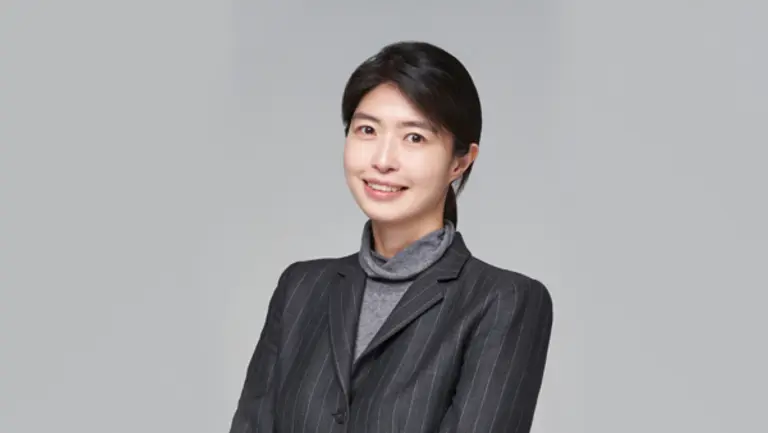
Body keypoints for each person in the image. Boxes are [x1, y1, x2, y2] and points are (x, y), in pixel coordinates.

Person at [229, 41, 554, 433]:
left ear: (460, 161)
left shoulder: (504, 301)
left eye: (414, 137)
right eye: (367, 130)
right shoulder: (299, 288)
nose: (382, 160)